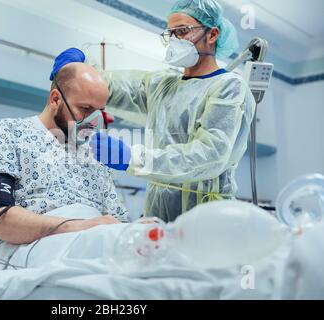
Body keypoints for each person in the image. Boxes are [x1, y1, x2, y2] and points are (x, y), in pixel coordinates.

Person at [80, 0, 255, 222]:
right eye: (170, 34)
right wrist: (84, 67)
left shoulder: (229, 87)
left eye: (182, 31)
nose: (174, 41)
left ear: (212, 35)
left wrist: (132, 158)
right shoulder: (164, 85)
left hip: (207, 219)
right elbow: (110, 88)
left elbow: (209, 156)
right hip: (157, 216)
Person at [0, 58, 129, 261]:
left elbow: (116, 221)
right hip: (25, 251)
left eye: (99, 112)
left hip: (93, 247)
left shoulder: (94, 158)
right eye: (85, 109)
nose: (93, 121)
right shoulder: (8, 134)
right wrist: (78, 227)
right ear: (55, 99)